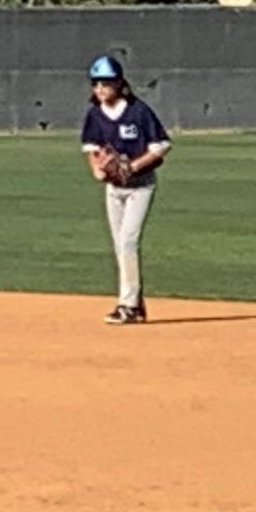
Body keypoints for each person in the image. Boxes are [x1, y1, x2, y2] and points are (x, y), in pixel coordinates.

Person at [80, 55, 170, 325]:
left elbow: (161, 146)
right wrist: (96, 167)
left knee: (128, 241)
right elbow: (91, 146)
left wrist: (133, 166)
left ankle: (128, 305)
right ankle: (136, 304)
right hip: (113, 190)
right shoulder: (95, 113)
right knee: (120, 245)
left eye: (106, 83)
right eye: (96, 84)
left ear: (119, 83)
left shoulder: (138, 111)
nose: (100, 89)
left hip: (140, 187)